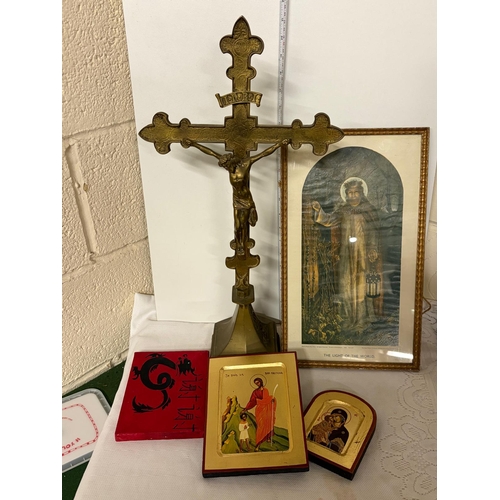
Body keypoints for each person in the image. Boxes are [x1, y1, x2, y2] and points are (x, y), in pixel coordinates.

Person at [182, 139, 289, 256]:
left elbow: (264, 154)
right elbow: (210, 152)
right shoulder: (228, 167)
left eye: (227, 166)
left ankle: (243, 243)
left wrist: (279, 144)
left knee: (243, 224)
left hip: (247, 201)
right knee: (237, 226)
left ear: (231, 162)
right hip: (236, 201)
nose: (226, 169)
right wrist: (193, 144)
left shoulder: (246, 164)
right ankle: (239, 246)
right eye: (225, 167)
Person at [311, 177, 383, 332]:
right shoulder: (342, 211)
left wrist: (372, 248)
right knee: (346, 285)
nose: (353, 195)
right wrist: (319, 210)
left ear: (361, 193)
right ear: (346, 194)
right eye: (350, 193)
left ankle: (362, 320)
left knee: (361, 286)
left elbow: (373, 232)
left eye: (356, 192)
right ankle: (348, 319)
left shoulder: (368, 210)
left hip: (362, 254)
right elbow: (328, 220)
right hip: (346, 254)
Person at [243, 377, 276, 451]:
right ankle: (258, 444)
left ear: (261, 381)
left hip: (267, 410)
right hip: (259, 410)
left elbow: (267, 399)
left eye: (258, 382)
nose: (257, 384)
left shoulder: (265, 390)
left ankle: (268, 438)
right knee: (261, 426)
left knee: (267, 423)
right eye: (256, 383)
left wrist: (272, 400)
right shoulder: (255, 392)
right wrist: (246, 408)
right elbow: (252, 401)